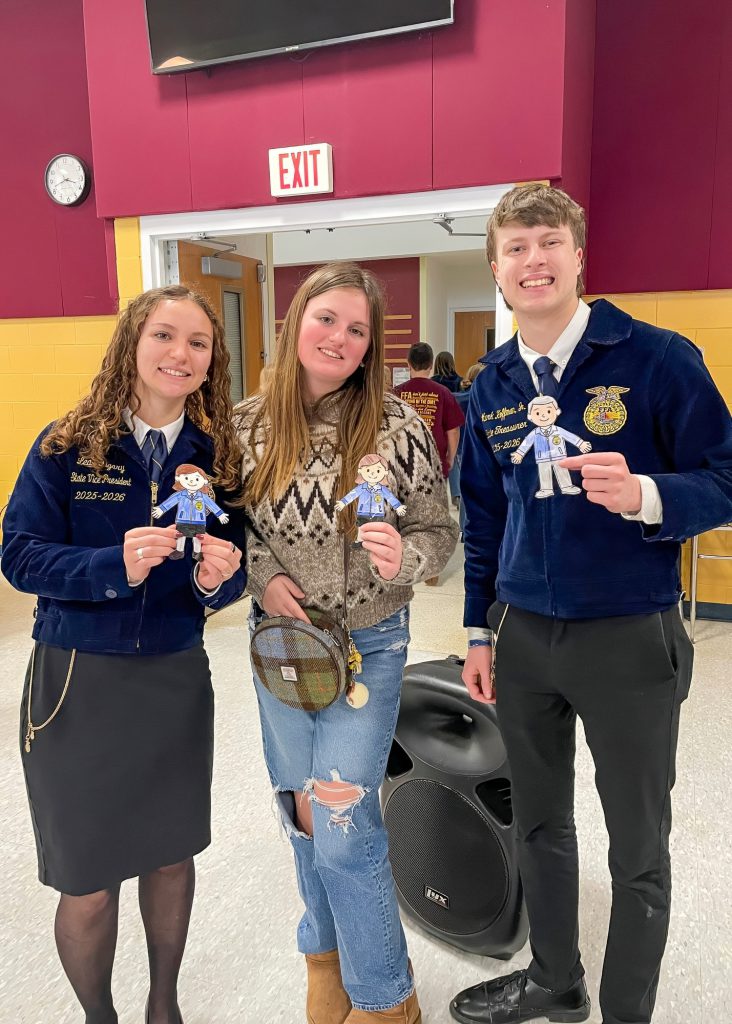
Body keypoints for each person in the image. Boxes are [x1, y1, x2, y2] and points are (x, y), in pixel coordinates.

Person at [451, 184, 732, 1024]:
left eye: (547, 243)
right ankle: (555, 982)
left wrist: (647, 492)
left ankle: (626, 1012)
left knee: (638, 846)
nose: (532, 261)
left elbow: (724, 477)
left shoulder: (655, 357)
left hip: (629, 636)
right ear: (497, 271)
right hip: (525, 637)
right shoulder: (493, 383)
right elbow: (484, 516)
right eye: (514, 249)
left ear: (579, 256)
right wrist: (477, 628)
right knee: (539, 825)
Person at [1, 285, 246, 1024]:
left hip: (173, 676)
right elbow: (18, 556)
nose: (180, 354)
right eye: (165, 336)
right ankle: (98, 1017)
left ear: (212, 361)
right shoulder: (66, 446)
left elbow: (228, 571)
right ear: (131, 345)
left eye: (198, 343)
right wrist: (114, 565)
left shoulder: (217, 458)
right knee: (89, 878)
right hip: (80, 682)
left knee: (172, 856)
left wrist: (213, 583)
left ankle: (162, 1006)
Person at [234, 262, 458, 1024]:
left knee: (340, 818)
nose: (339, 337)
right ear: (296, 321)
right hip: (283, 648)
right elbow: (239, 530)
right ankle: (323, 959)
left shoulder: (397, 426)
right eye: (327, 318)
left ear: (370, 347)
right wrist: (263, 580)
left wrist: (411, 557)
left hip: (371, 647)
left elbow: (440, 529)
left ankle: (386, 998)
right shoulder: (247, 425)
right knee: (300, 810)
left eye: (358, 329)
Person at [395, 342, 464, 580]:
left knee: (401, 513)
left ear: (408, 364)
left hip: (402, 464)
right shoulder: (443, 393)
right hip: (433, 464)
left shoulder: (398, 393)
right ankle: (431, 572)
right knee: (434, 516)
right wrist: (451, 457)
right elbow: (452, 430)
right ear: (431, 364)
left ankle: (400, 563)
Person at [454, 363, 484, 535]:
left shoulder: (456, 398)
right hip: (483, 446)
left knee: (466, 488)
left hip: (461, 447)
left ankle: (465, 528)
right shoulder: (488, 398)